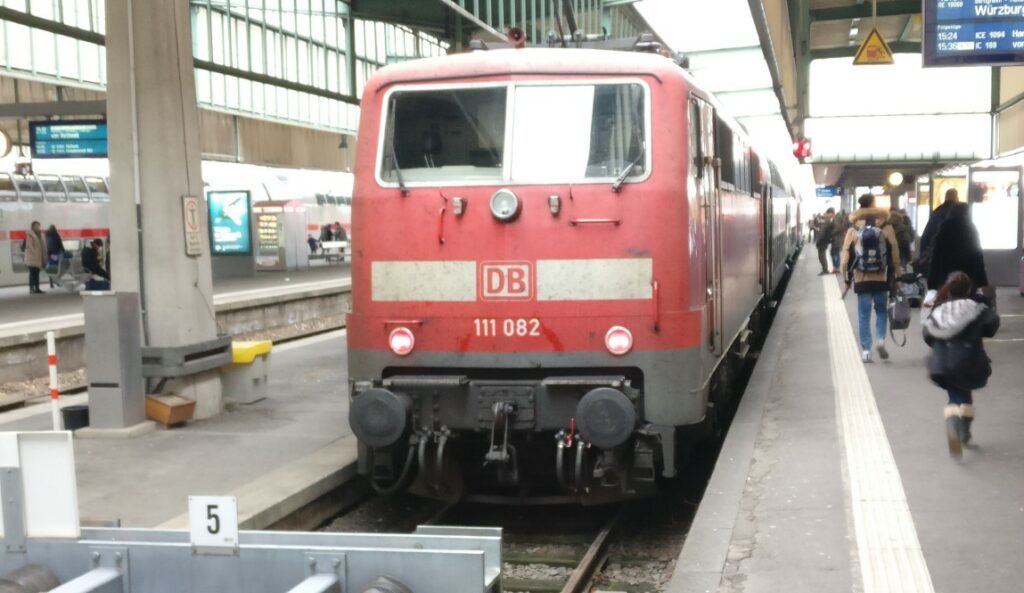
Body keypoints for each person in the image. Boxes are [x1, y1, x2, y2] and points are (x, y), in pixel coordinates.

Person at [922, 271, 999, 457]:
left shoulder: (939, 311)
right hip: (970, 360)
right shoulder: (976, 308)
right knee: (966, 394)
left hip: (942, 363)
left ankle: (952, 418)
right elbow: (992, 326)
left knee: (955, 395)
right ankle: (963, 429)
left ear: (948, 290)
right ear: (968, 290)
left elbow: (927, 334)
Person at [840, 195, 902, 363]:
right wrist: (898, 274)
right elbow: (895, 252)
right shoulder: (885, 224)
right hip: (881, 276)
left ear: (859, 206)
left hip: (861, 278)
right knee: (881, 310)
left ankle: (866, 350)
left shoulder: (853, 226)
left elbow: (845, 254)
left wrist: (846, 276)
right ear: (873, 205)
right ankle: (881, 339)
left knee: (863, 315)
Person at [21, 221, 47, 294]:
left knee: (37, 273)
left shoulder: (41, 235)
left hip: (38, 258)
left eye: (39, 226)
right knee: (32, 273)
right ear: (32, 227)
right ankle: (31, 288)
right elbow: (29, 246)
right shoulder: (30, 235)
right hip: (32, 258)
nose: (38, 227)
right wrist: (36, 253)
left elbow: (43, 245)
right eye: (36, 226)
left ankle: (37, 288)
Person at [816, 208, 836, 275]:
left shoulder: (827, 221)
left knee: (821, 256)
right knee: (822, 256)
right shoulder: (828, 221)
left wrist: (818, 241)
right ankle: (825, 269)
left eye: (826, 214)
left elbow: (822, 232)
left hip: (823, 241)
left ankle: (825, 270)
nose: (825, 215)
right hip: (825, 240)